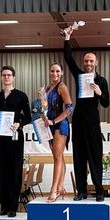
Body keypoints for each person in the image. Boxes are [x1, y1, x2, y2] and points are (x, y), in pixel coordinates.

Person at [63, 24, 110, 202]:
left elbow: (105, 103)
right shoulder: (79, 75)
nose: (89, 63)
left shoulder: (102, 80)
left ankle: (99, 190)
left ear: (96, 63)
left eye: (92, 61)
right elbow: (68, 59)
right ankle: (81, 190)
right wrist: (67, 38)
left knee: (95, 157)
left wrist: (99, 92)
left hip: (93, 122)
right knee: (79, 157)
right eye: (86, 61)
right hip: (79, 120)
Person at [0, 66, 31, 217]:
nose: (6, 77)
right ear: (1, 77)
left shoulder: (21, 96)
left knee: (15, 171)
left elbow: (28, 117)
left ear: (13, 77)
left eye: (9, 75)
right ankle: (4, 205)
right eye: (4, 75)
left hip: (15, 138)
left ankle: (13, 206)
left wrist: (19, 124)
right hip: (1, 139)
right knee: (3, 171)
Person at [41, 62, 74, 202]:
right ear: (49, 72)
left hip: (60, 125)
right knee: (58, 156)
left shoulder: (62, 87)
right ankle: (61, 186)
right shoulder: (47, 88)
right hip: (49, 125)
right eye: (52, 71)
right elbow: (44, 108)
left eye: (57, 71)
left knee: (57, 158)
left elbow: (70, 108)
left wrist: (54, 121)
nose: (55, 73)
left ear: (62, 73)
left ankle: (53, 190)